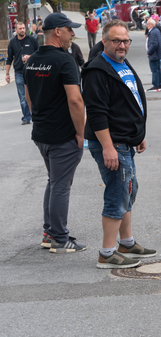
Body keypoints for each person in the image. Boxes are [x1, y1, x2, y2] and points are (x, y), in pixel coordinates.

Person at [82, 19, 155, 269]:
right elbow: (97, 112)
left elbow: (130, 102)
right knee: (118, 192)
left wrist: (138, 134)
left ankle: (127, 242)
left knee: (129, 190)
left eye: (125, 40)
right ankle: (107, 252)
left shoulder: (121, 63)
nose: (122, 45)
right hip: (111, 143)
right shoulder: (97, 70)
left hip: (126, 140)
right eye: (116, 40)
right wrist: (108, 147)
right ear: (105, 41)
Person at [23, 13, 86, 253]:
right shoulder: (64, 60)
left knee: (54, 181)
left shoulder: (32, 60)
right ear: (57, 32)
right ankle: (59, 236)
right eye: (69, 29)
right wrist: (80, 134)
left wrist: (39, 119)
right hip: (63, 136)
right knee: (61, 185)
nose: (72, 33)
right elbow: (75, 101)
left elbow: (28, 97)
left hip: (42, 134)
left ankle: (50, 232)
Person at [5, 22, 39, 125]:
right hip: (19, 72)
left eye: (24, 28)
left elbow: (39, 52)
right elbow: (9, 58)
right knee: (23, 96)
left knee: (35, 93)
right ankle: (26, 117)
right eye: (20, 28)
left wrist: (30, 57)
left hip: (32, 70)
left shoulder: (31, 40)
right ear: (16, 30)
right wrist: (7, 73)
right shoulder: (12, 42)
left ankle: (37, 115)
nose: (22, 30)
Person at [146, 18, 161, 92]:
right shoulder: (155, 30)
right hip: (156, 53)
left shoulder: (153, 32)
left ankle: (156, 85)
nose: (146, 25)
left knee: (155, 70)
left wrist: (149, 52)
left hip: (154, 54)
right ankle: (158, 85)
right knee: (157, 69)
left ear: (152, 25)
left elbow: (154, 44)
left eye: (147, 24)